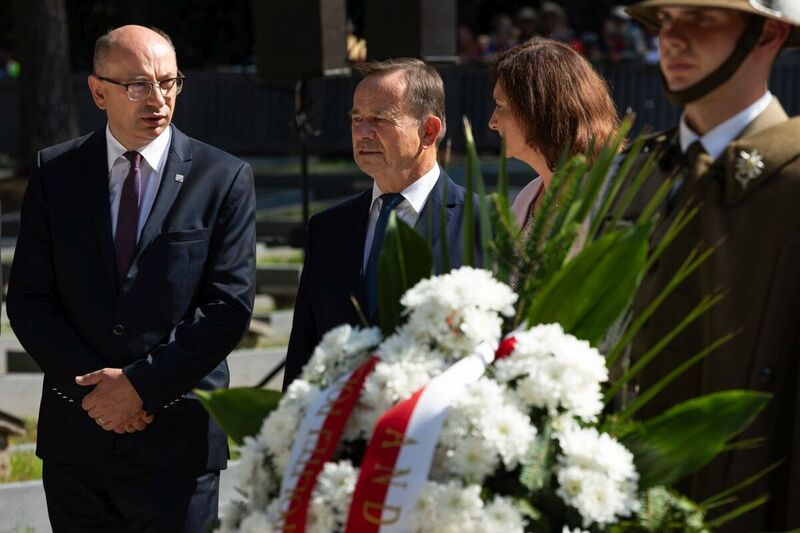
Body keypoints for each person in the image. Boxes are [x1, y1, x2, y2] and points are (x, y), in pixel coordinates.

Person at [7, 25, 255, 531]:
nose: (159, 99)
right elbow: (30, 301)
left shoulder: (222, 177)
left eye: (169, 82)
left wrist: (140, 387)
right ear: (98, 91)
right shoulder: (56, 173)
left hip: (177, 446)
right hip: (78, 442)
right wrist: (96, 395)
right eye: (138, 85)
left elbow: (227, 307)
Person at [622, 1, 800, 529]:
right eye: (667, 20)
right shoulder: (634, 175)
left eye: (701, 18)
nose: (672, 39)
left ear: (767, 33)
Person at [283, 58, 478, 389]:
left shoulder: (479, 223)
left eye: (379, 120)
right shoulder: (327, 229)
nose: (362, 133)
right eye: (357, 119)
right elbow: (305, 351)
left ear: (428, 130)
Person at [488, 37, 619, 227]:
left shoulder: (608, 196)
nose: (492, 123)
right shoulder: (526, 198)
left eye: (500, 106)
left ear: (537, 110)